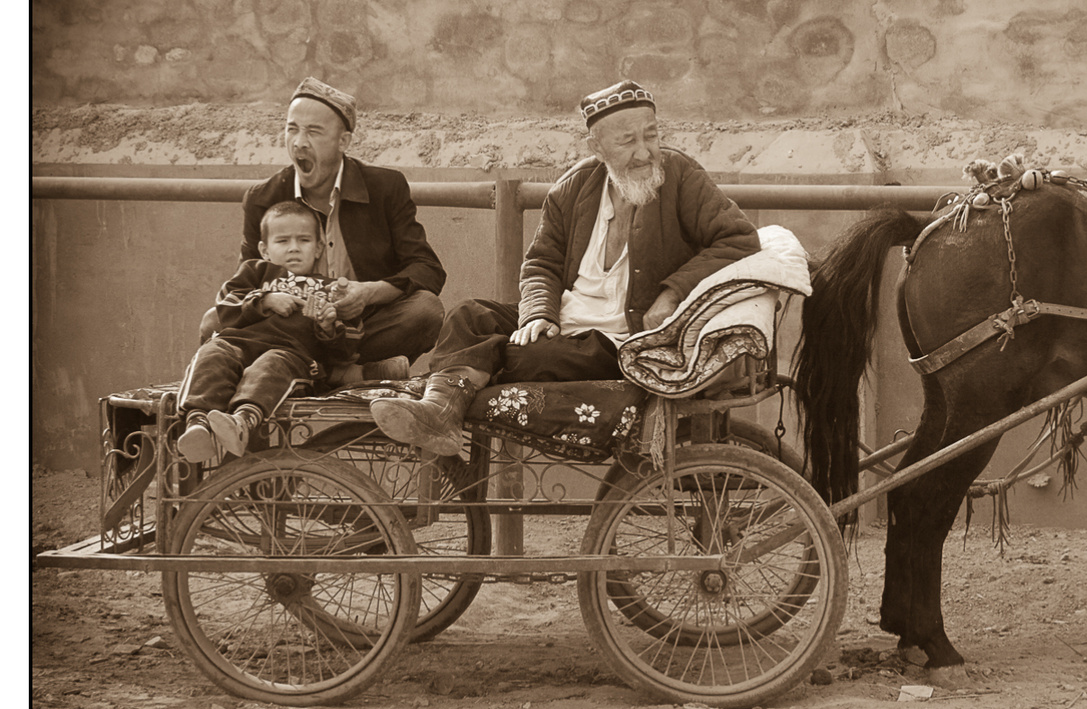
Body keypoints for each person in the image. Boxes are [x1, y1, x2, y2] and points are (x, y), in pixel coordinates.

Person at [371, 79, 760, 455]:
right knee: (468, 314)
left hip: (619, 338)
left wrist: (672, 292)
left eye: (651, 135)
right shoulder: (572, 188)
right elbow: (542, 263)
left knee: (533, 359)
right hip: (568, 320)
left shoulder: (681, 176)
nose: (645, 152)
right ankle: (440, 413)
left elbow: (739, 239)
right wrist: (539, 314)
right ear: (597, 146)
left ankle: (448, 398)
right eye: (627, 141)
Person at [199, 77, 447, 381]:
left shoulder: (385, 187)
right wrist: (273, 302)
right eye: (292, 129)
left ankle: (327, 370)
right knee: (213, 321)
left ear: (343, 142)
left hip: (355, 330)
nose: (299, 142)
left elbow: (427, 269)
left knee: (426, 310)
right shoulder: (263, 198)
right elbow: (247, 280)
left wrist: (367, 293)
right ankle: (344, 375)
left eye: (314, 132)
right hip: (285, 329)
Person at [176, 201, 364, 462]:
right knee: (213, 351)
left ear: (319, 248)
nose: (294, 248)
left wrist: (329, 325)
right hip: (238, 344)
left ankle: (241, 423)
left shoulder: (329, 289)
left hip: (291, 355)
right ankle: (198, 426)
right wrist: (263, 300)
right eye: (283, 241)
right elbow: (225, 306)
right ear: (264, 249)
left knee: (271, 363)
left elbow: (349, 348)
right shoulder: (255, 272)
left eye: (304, 240)